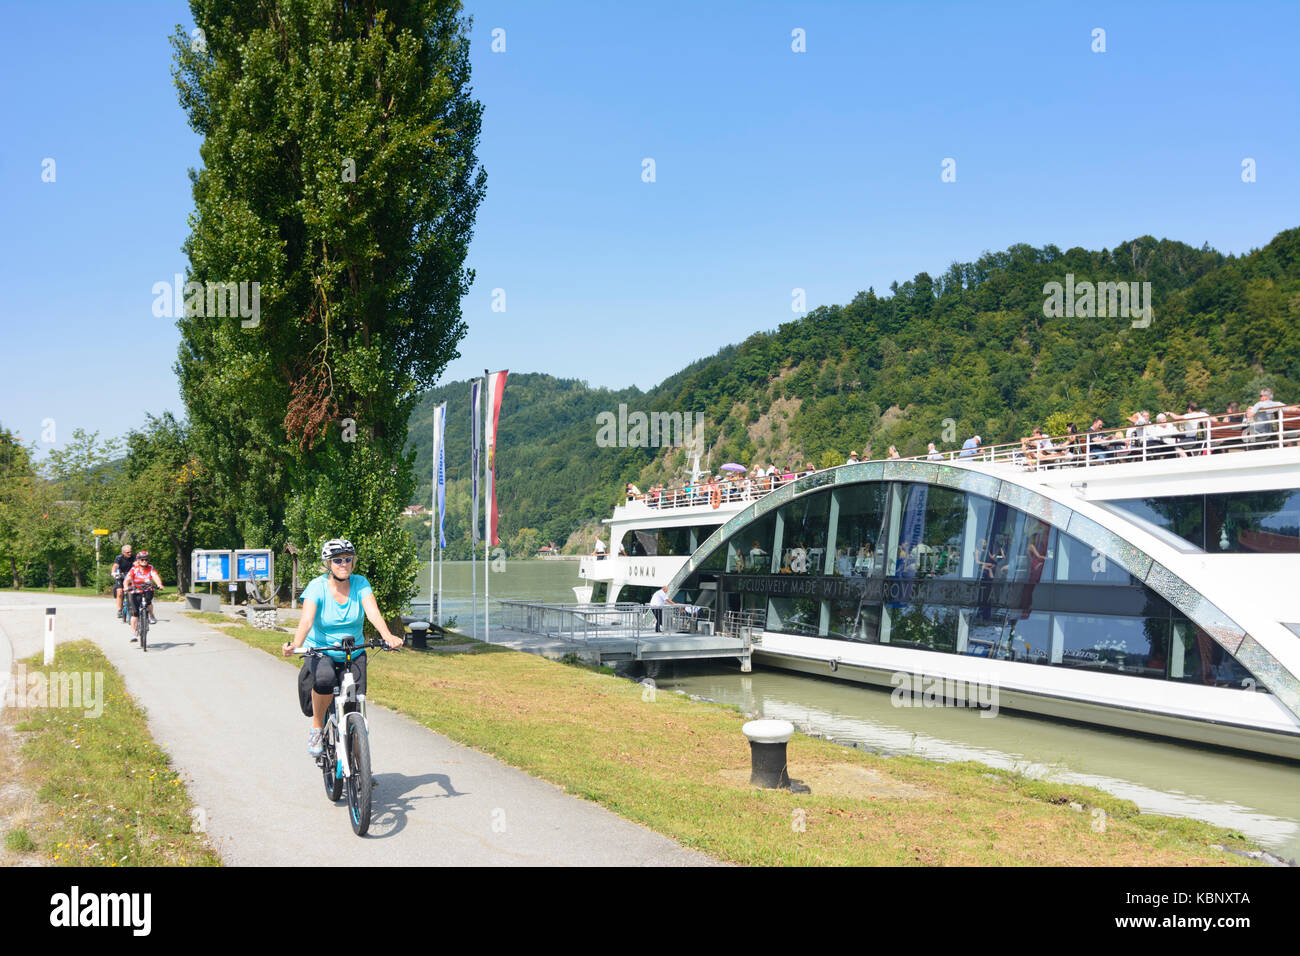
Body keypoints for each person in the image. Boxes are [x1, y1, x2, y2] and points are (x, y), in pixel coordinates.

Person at [282, 539, 403, 756]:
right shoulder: (317, 587)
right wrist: (295, 645)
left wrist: (388, 636)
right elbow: (306, 621)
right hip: (321, 651)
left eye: (348, 559)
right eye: (337, 560)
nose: (343, 564)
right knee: (325, 679)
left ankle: (361, 771)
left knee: (355, 706)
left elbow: (373, 613)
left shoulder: (360, 583)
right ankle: (317, 728)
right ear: (328, 563)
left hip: (353, 651)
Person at [123, 550, 164, 641]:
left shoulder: (150, 568)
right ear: (138, 560)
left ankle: (151, 615)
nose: (144, 561)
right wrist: (126, 586)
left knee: (148, 602)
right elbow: (127, 579)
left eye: (146, 559)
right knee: (135, 613)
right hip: (135, 591)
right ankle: (134, 634)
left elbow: (155, 576)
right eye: (142, 559)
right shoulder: (134, 569)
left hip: (147, 590)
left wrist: (159, 584)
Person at [112, 544, 134, 621]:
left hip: (131, 577)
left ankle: (133, 606)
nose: (130, 553)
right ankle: (119, 610)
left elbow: (137, 565)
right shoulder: (119, 558)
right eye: (128, 552)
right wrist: (114, 573)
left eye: (130, 552)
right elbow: (115, 566)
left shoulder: (134, 557)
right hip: (121, 576)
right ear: (123, 552)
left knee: (133, 591)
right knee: (120, 592)